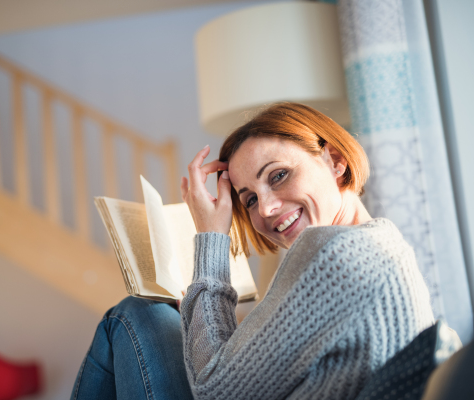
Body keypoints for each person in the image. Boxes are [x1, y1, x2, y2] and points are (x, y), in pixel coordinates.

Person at [71, 102, 435, 400]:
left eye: (278, 175)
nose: (266, 209)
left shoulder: (330, 252)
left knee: (135, 314)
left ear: (335, 160)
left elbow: (214, 391)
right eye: (248, 199)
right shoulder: (384, 242)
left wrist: (211, 234)